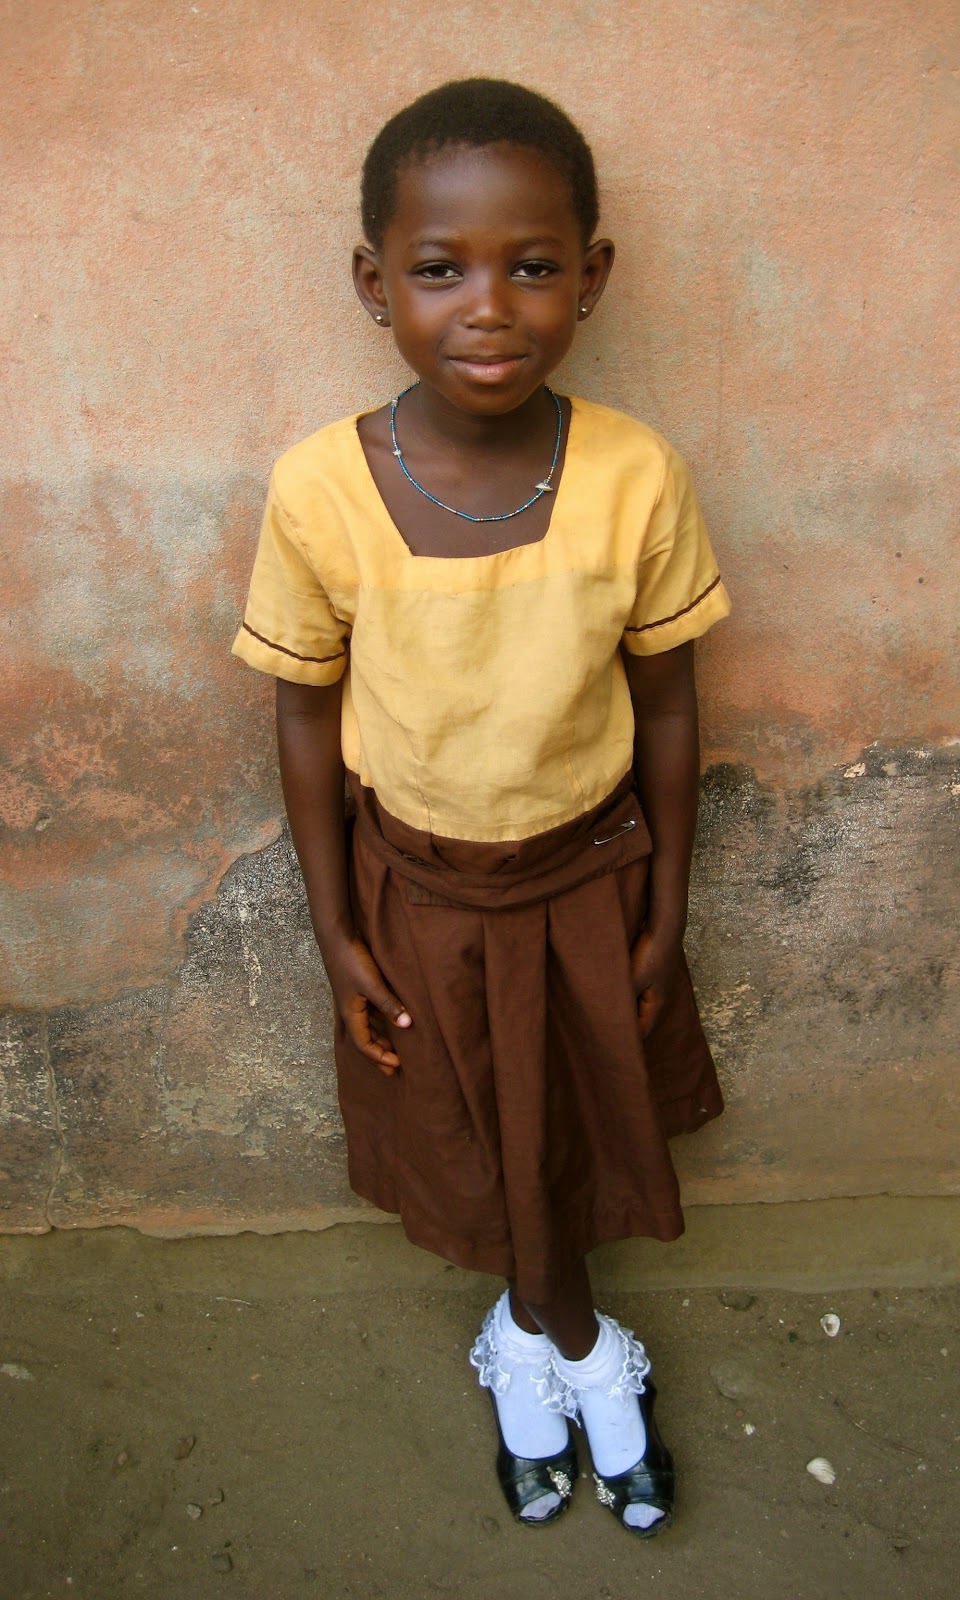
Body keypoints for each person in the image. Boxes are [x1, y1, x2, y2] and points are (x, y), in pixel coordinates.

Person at [232, 78, 730, 1537]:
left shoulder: (635, 474)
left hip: (589, 877)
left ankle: (554, 1341)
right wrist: (335, 931)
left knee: (566, 1113)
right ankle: (558, 1345)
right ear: (373, 284)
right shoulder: (323, 487)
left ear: (595, 275)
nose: (490, 307)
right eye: (441, 270)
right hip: (418, 889)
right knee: (472, 1124)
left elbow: (674, 705)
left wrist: (666, 908)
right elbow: (305, 710)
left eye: (534, 265)